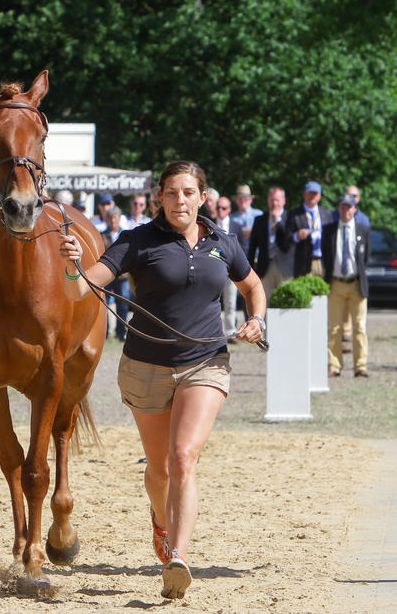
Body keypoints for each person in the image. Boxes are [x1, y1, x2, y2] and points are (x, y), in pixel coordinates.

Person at [59, 160, 266, 600]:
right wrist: (73, 266)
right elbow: (81, 290)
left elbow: (252, 286)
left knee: (182, 458)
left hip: (205, 360)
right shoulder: (138, 240)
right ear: (160, 198)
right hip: (145, 366)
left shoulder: (222, 243)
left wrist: (257, 320)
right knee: (158, 470)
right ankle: (160, 519)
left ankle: (178, 556)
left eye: (188, 192)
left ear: (202, 197)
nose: (180, 201)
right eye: (171, 193)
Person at [322, 192, 371, 377]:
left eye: (349, 207)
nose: (345, 210)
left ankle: (360, 365)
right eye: (342, 207)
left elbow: (365, 258)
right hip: (335, 283)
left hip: (356, 283)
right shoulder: (329, 230)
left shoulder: (363, 230)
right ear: (339, 209)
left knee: (359, 326)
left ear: (355, 209)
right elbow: (327, 256)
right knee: (334, 327)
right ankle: (335, 365)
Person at [281, 181, 332, 278]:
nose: (312, 196)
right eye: (310, 193)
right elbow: (285, 241)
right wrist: (297, 236)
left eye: (315, 194)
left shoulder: (326, 213)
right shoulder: (294, 214)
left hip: (323, 261)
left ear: (319, 196)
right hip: (303, 263)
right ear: (304, 195)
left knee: (324, 292)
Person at [248, 186, 289, 299]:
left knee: (284, 303)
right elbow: (252, 246)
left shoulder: (290, 218)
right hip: (265, 267)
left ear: (283, 201)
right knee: (264, 301)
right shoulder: (260, 220)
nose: (274, 203)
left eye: (277, 200)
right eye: (272, 200)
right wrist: (250, 269)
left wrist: (278, 222)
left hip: (284, 268)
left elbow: (289, 243)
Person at [214, 196, 247, 334]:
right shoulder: (208, 223)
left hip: (230, 268)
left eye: (224, 208)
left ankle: (230, 331)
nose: (221, 210)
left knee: (231, 301)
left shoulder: (236, 226)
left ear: (229, 209)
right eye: (218, 207)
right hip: (213, 267)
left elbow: (242, 248)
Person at [101, 205, 132, 340]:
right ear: (107, 219)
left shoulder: (126, 235)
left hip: (123, 275)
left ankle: (121, 332)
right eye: (111, 218)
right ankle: (105, 332)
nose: (113, 221)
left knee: (123, 304)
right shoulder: (101, 235)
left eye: (115, 218)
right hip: (107, 275)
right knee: (104, 303)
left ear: (119, 219)